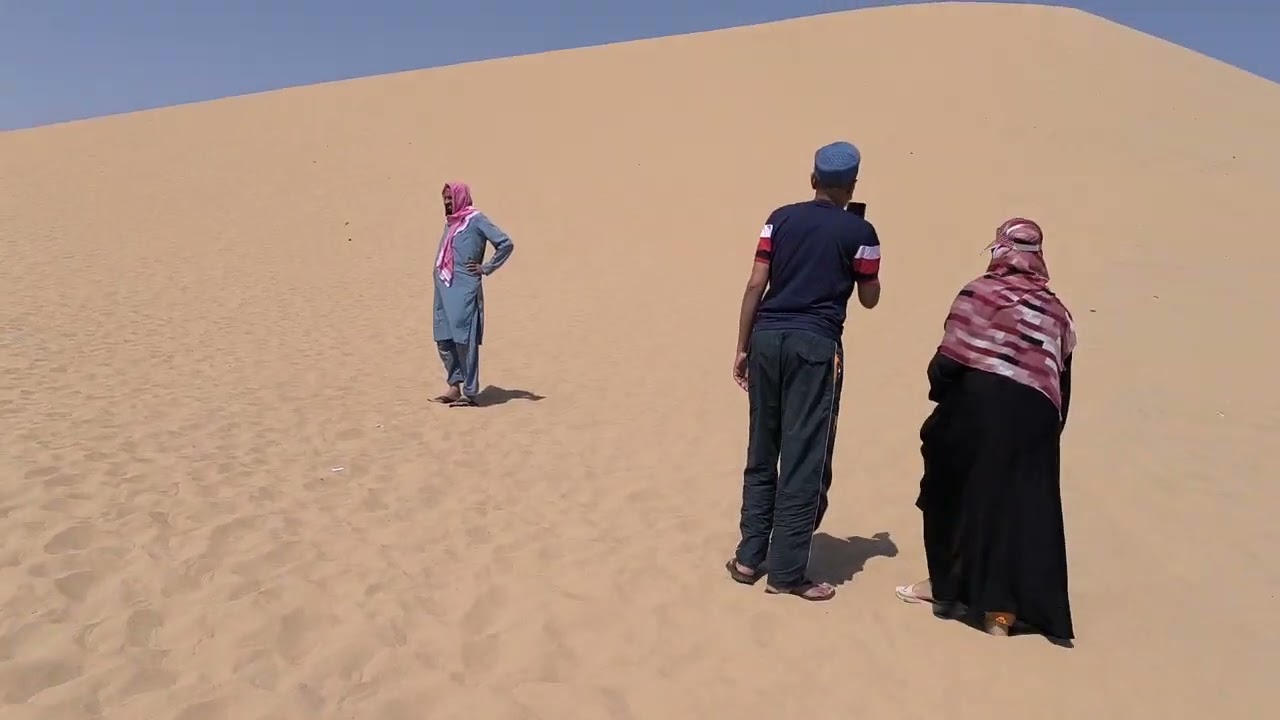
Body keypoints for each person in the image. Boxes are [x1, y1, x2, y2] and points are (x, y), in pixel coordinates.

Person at [895, 217, 1077, 639]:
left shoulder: (979, 293)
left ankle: (945, 590)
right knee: (1019, 508)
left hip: (977, 410)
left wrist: (941, 392)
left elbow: (947, 363)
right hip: (1037, 418)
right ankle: (1001, 613)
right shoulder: (1057, 313)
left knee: (946, 492)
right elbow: (1061, 376)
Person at [725, 141, 882, 601]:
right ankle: (787, 572)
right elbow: (869, 298)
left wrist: (742, 347)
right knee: (804, 456)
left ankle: (748, 557)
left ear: (813, 179)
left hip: (766, 339)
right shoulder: (861, 231)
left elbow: (756, 283)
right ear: (852, 185)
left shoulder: (780, 219)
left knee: (763, 448)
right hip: (815, 345)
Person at [430, 181, 515, 407]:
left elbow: (505, 244)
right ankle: (453, 386)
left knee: (464, 339)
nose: (447, 202)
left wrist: (486, 267)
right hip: (443, 287)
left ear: (461, 197)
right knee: (443, 337)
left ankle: (470, 391)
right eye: (445, 198)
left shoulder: (475, 219)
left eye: (450, 197)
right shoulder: (452, 223)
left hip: (464, 288)